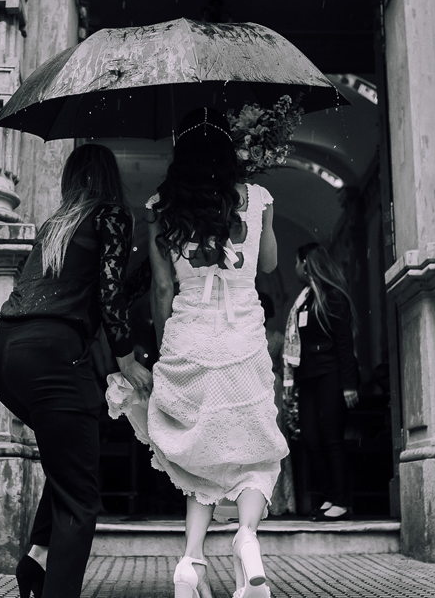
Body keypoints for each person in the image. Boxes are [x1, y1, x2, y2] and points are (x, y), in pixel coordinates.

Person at [0, 144, 152, 598]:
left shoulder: (57, 223)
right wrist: (126, 358)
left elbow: (96, 289)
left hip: (3, 355)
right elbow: (110, 296)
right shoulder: (113, 214)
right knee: (81, 498)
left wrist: (151, 269)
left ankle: (37, 558)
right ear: (110, 177)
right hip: (51, 358)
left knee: (68, 461)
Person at [145, 108, 289, 598]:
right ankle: (246, 538)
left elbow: (163, 288)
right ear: (230, 156)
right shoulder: (258, 199)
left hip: (189, 339)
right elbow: (268, 265)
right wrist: (262, 220)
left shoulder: (162, 206)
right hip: (243, 341)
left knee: (198, 458)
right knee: (256, 452)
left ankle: (191, 560)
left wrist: (168, 345)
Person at [283, 242, 359, 521]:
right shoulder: (304, 298)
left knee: (331, 438)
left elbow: (344, 344)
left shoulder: (333, 296)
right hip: (307, 378)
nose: (295, 268)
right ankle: (330, 495)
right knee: (311, 439)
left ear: (306, 263)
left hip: (331, 375)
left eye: (296, 262)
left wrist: (349, 385)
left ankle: (340, 500)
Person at [258, 292, 296, 516]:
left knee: (271, 441)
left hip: (268, 388)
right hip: (266, 387)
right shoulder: (276, 338)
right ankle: (272, 500)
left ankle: (274, 500)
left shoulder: (275, 338)